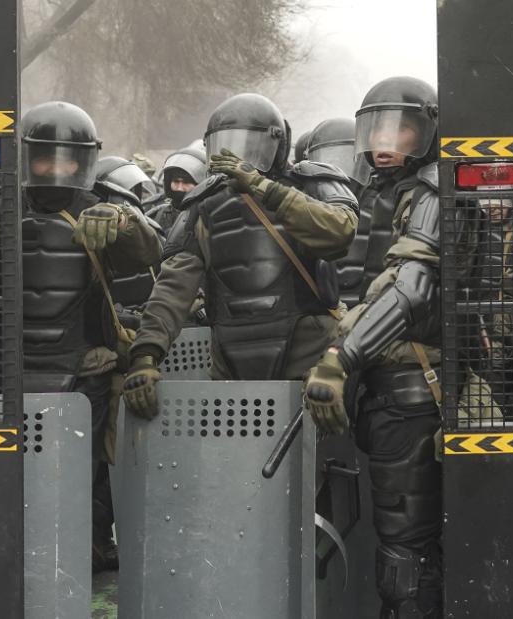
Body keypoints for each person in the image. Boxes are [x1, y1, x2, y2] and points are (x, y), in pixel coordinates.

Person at [0, 101, 162, 572]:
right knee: (15, 481)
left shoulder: (105, 210)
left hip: (86, 372)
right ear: (25, 157)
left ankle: (82, 557)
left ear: (85, 161)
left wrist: (124, 222)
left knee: (83, 479)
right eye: (45, 158)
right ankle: (16, 568)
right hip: (13, 376)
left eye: (68, 159)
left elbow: (152, 253)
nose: (56, 169)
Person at [302, 76, 451, 619]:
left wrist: (341, 357)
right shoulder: (376, 193)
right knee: (396, 540)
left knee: (405, 550)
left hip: (412, 388)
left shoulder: (434, 192)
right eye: (378, 128)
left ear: (429, 132)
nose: (386, 141)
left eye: (403, 129)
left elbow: (409, 291)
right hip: (381, 387)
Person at [121, 93, 358, 419]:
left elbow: (339, 232)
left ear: (278, 143)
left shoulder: (309, 183)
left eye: (251, 145)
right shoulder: (202, 206)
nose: (239, 156)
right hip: (231, 366)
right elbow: (173, 286)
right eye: (226, 145)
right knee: (233, 464)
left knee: (319, 462)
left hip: (309, 361)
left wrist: (265, 188)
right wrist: (145, 355)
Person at [305, 117, 374, 307]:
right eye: (328, 160)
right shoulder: (306, 204)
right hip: (326, 311)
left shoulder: (382, 201)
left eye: (346, 157)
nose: (340, 169)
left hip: (372, 306)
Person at [143, 144, 209, 234]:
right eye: (176, 181)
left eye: (186, 182)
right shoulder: (157, 215)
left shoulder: (210, 215)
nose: (179, 188)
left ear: (200, 184)